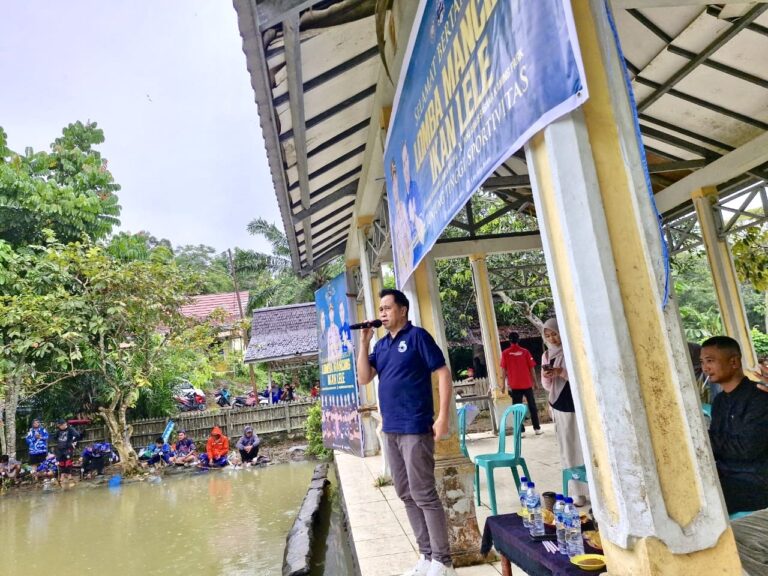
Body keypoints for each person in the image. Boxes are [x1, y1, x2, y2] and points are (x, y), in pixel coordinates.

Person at [357, 288, 456, 576]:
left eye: (387, 308)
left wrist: (443, 417)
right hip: (391, 429)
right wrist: (364, 343)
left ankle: (443, 561)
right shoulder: (382, 345)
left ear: (403, 310)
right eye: (380, 309)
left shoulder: (418, 337)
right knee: (405, 492)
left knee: (424, 492)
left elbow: (443, 373)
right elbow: (365, 377)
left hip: (415, 426)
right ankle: (426, 556)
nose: (382, 314)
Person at [701, 336, 768, 513]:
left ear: (733, 362)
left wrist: (704, 440)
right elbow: (716, 443)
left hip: (755, 479)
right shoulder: (719, 401)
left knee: (704, 500)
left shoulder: (759, 396)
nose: (705, 368)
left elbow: (748, 448)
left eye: (710, 361)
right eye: (702, 362)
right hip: (727, 473)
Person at [540, 318, 588, 507]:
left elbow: (581, 375)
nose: (552, 338)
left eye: (555, 334)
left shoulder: (572, 349)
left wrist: (562, 372)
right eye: (548, 335)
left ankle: (594, 489)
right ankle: (578, 492)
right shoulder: (546, 355)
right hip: (561, 405)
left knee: (587, 448)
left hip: (580, 404)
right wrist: (547, 376)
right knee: (569, 450)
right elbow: (546, 386)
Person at [500, 333, 542, 437]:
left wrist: (503, 385)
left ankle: (521, 430)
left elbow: (503, 370)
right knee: (532, 406)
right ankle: (536, 428)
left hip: (515, 385)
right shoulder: (525, 352)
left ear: (509, 340)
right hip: (527, 384)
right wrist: (535, 382)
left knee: (517, 408)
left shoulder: (505, 353)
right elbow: (532, 368)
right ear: (518, 340)